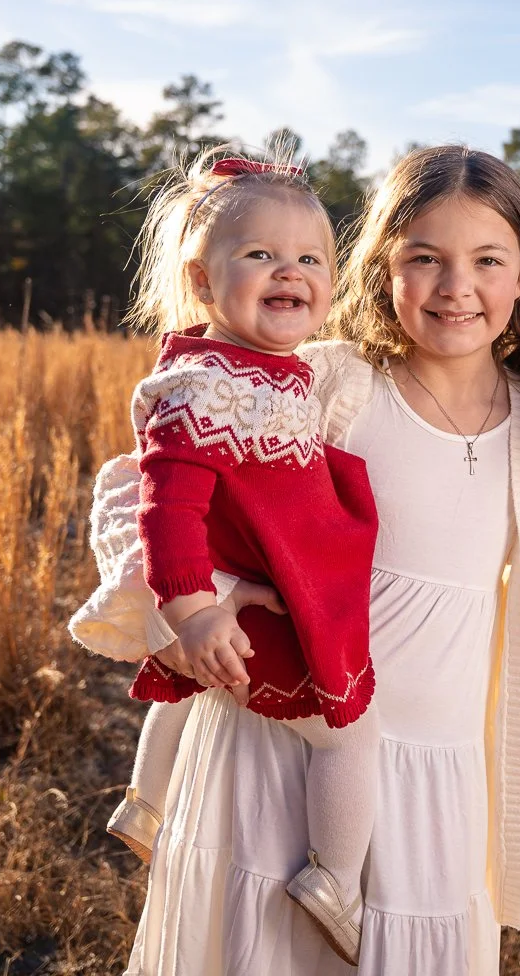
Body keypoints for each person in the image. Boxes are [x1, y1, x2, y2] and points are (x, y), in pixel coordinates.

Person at [77, 145, 520, 975]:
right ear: (382, 270)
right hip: (282, 742)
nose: (457, 287)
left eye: (488, 260)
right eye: (424, 259)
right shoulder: (328, 383)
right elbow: (143, 491)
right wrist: (208, 599)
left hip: (442, 761)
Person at [69, 149, 381, 963]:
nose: (290, 271)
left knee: (186, 688)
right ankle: (336, 880)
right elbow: (165, 505)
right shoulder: (202, 383)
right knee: (349, 733)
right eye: (260, 256)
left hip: (247, 580)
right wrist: (193, 604)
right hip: (246, 603)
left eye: (310, 258)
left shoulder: (262, 368)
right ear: (203, 283)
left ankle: (146, 801)